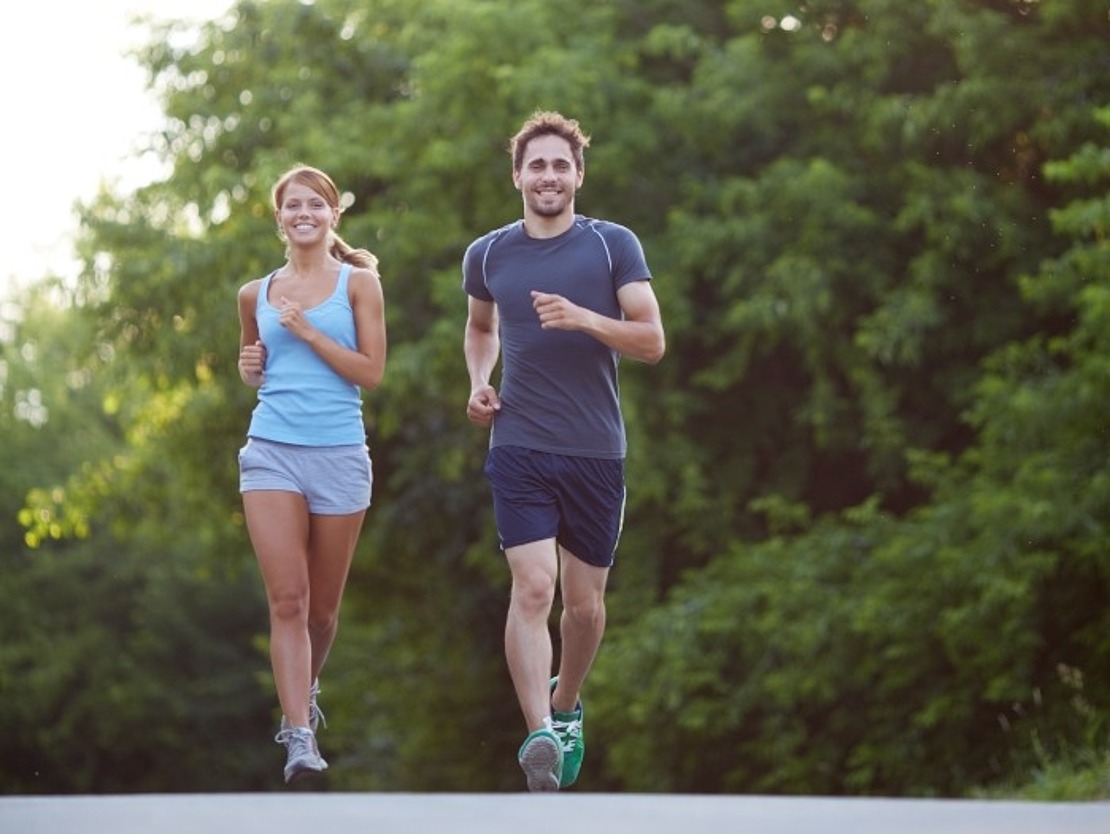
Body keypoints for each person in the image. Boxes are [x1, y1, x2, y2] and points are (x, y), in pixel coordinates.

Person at [462, 111, 665, 792]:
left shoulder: (611, 246)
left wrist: (584, 318)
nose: (547, 176)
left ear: (578, 175)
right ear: (517, 176)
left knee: (583, 607)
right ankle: (540, 733)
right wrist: (479, 381)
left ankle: (567, 703)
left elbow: (652, 340)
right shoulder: (488, 254)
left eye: (559, 165)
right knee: (533, 587)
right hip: (519, 443)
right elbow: (481, 326)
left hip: (596, 451)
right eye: (536, 165)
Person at [236, 165, 386, 785]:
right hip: (271, 450)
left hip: (339, 455)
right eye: (293, 205)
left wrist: (308, 331)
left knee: (322, 613)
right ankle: (298, 734)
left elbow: (371, 372)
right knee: (288, 600)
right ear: (279, 218)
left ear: (333, 214)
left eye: (315, 204)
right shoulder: (255, 293)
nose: (304, 213)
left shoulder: (360, 284)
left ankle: (307, 687)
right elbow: (253, 366)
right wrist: (249, 366)